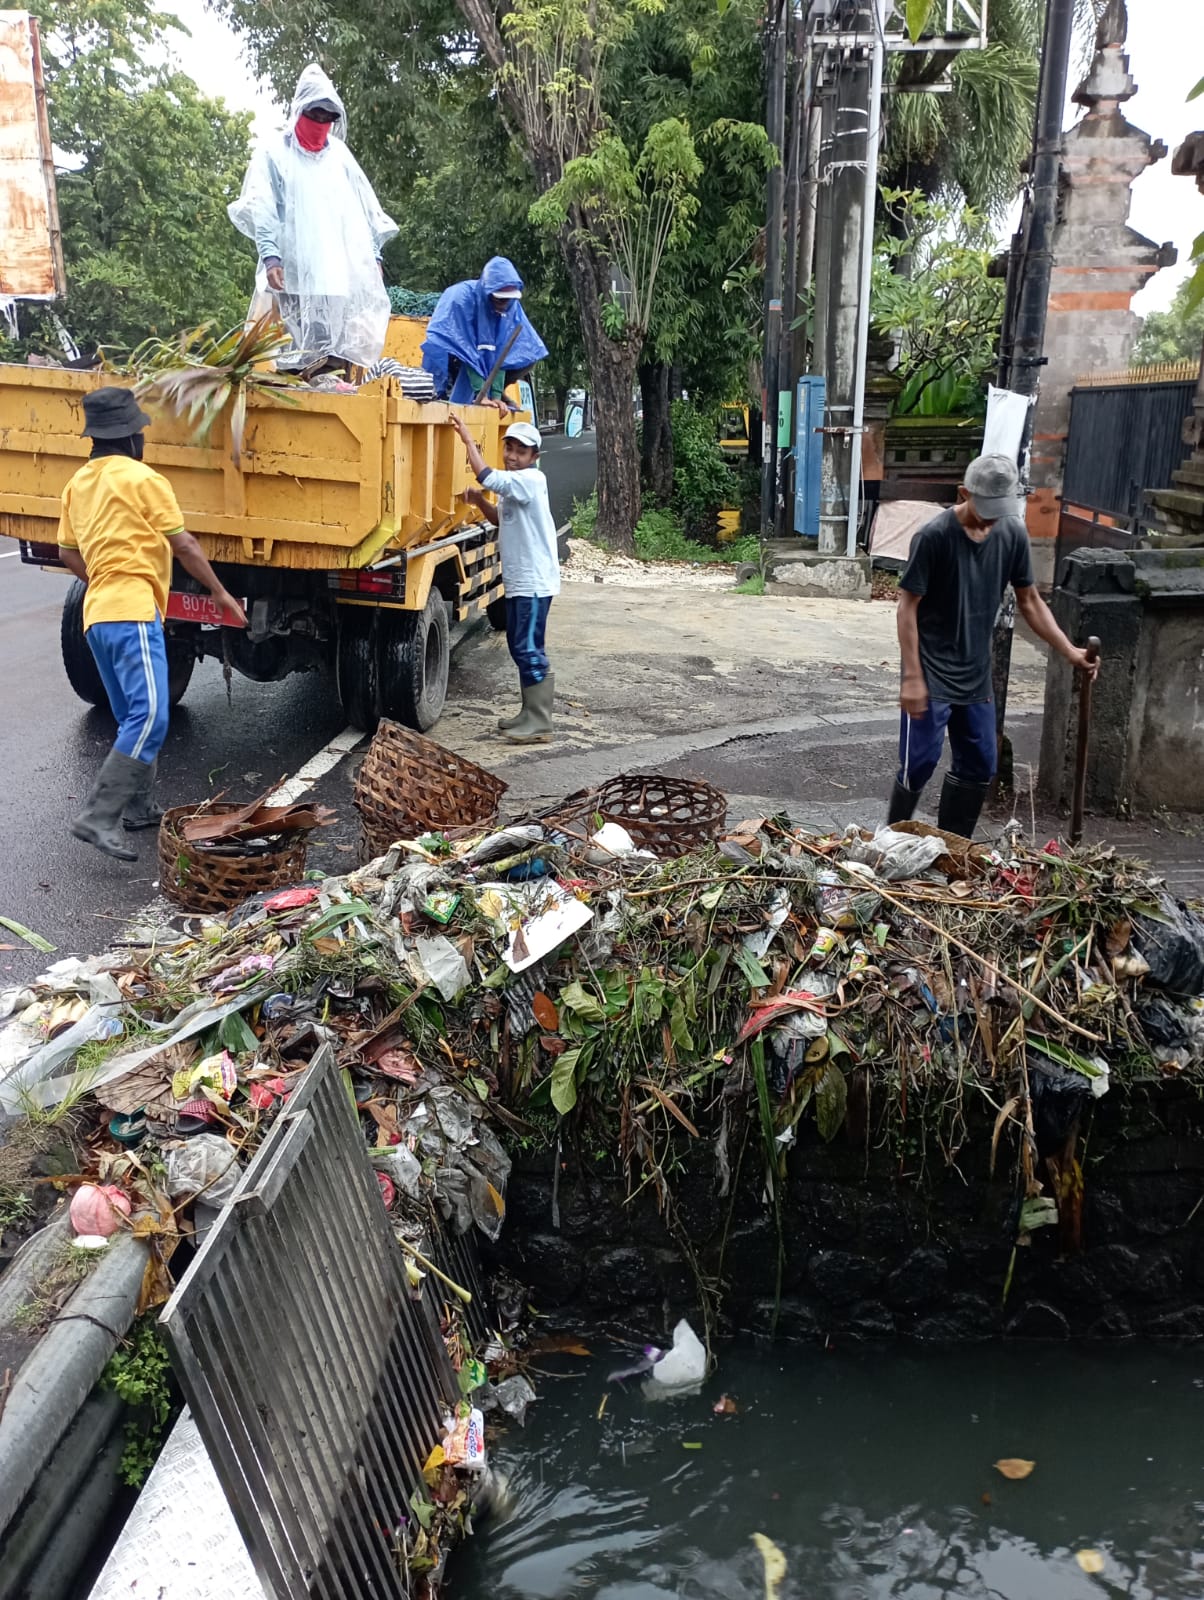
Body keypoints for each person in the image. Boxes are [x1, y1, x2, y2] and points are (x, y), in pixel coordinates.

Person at [58, 387, 248, 860]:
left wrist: (104, 578)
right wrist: (221, 594)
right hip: (132, 612)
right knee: (152, 716)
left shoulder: (77, 483)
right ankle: (100, 814)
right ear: (130, 438)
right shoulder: (144, 479)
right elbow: (183, 545)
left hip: (96, 615)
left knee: (130, 716)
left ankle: (140, 808)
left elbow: (66, 551)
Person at [888, 453, 1099, 840]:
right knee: (917, 764)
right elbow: (906, 609)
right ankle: (890, 842)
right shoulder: (933, 536)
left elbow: (1030, 601)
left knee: (980, 764)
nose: (991, 519)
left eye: (999, 510)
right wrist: (912, 677)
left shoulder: (1011, 533)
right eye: (985, 509)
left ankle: (952, 849)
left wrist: (1070, 651)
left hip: (975, 674)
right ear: (963, 493)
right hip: (930, 670)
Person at [227, 64, 397, 372]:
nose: (320, 124)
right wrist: (271, 256)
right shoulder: (274, 153)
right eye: (314, 115)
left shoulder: (340, 157)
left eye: (327, 118)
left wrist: (373, 256)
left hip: (335, 267)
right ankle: (300, 380)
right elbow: (262, 206)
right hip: (294, 265)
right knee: (297, 339)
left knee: (335, 338)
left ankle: (331, 381)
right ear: (299, 110)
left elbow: (360, 209)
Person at [449, 413, 558, 744]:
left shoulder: (530, 480)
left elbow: (485, 474)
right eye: (509, 448)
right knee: (517, 645)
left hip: (534, 583)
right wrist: (480, 502)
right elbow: (500, 518)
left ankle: (541, 722)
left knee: (527, 647)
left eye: (521, 451)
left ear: (534, 457)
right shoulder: (517, 484)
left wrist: (468, 439)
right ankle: (529, 713)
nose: (512, 456)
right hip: (521, 581)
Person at [422, 258, 548, 408]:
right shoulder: (461, 299)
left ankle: (493, 392)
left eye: (508, 299)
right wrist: (479, 393)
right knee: (464, 362)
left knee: (527, 354)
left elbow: (504, 358)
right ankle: (462, 392)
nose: (504, 304)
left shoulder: (510, 307)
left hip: (482, 360)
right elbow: (465, 350)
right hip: (451, 356)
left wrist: (495, 395)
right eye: (500, 299)